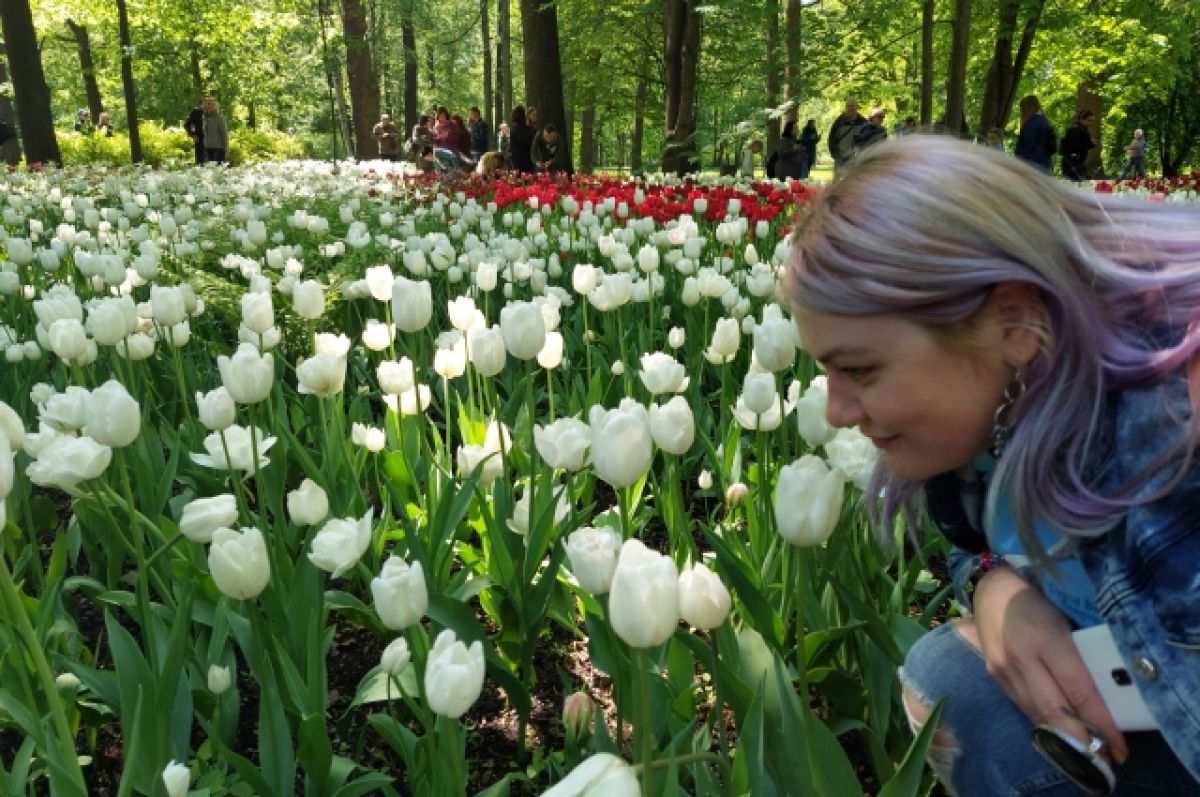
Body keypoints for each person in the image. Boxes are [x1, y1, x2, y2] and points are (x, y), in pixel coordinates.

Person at [785, 135, 1200, 797]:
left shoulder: (1172, 441)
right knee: (952, 674)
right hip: (1143, 709)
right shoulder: (996, 413)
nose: (835, 410)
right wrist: (995, 584)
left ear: (1013, 318)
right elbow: (979, 537)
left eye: (859, 368)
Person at [1014, 95, 1055, 174]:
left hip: (1032, 163)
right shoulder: (1044, 120)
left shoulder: (1032, 122)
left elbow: (1029, 144)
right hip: (1044, 162)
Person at [828, 98, 865, 176]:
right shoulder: (839, 122)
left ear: (857, 107)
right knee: (839, 184)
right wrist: (836, 156)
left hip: (857, 161)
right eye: (848, 106)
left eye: (852, 106)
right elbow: (831, 140)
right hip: (841, 159)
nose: (850, 108)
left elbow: (867, 140)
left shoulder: (863, 122)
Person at [1060, 110, 1096, 181]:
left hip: (1077, 160)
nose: (1090, 123)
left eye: (1092, 121)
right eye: (1089, 120)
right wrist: (1091, 144)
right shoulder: (1076, 130)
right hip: (1074, 161)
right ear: (1082, 119)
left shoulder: (1081, 129)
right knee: (1075, 182)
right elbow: (1075, 147)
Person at [201, 97, 228, 164]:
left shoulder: (219, 118)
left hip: (218, 149)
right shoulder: (204, 117)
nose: (209, 106)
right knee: (209, 171)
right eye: (207, 104)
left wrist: (226, 149)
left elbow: (224, 134)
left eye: (211, 104)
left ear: (215, 106)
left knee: (217, 170)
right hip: (207, 148)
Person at [508, 106, 535, 173]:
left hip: (521, 158)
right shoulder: (517, 127)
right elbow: (526, 141)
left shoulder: (518, 126)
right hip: (520, 159)